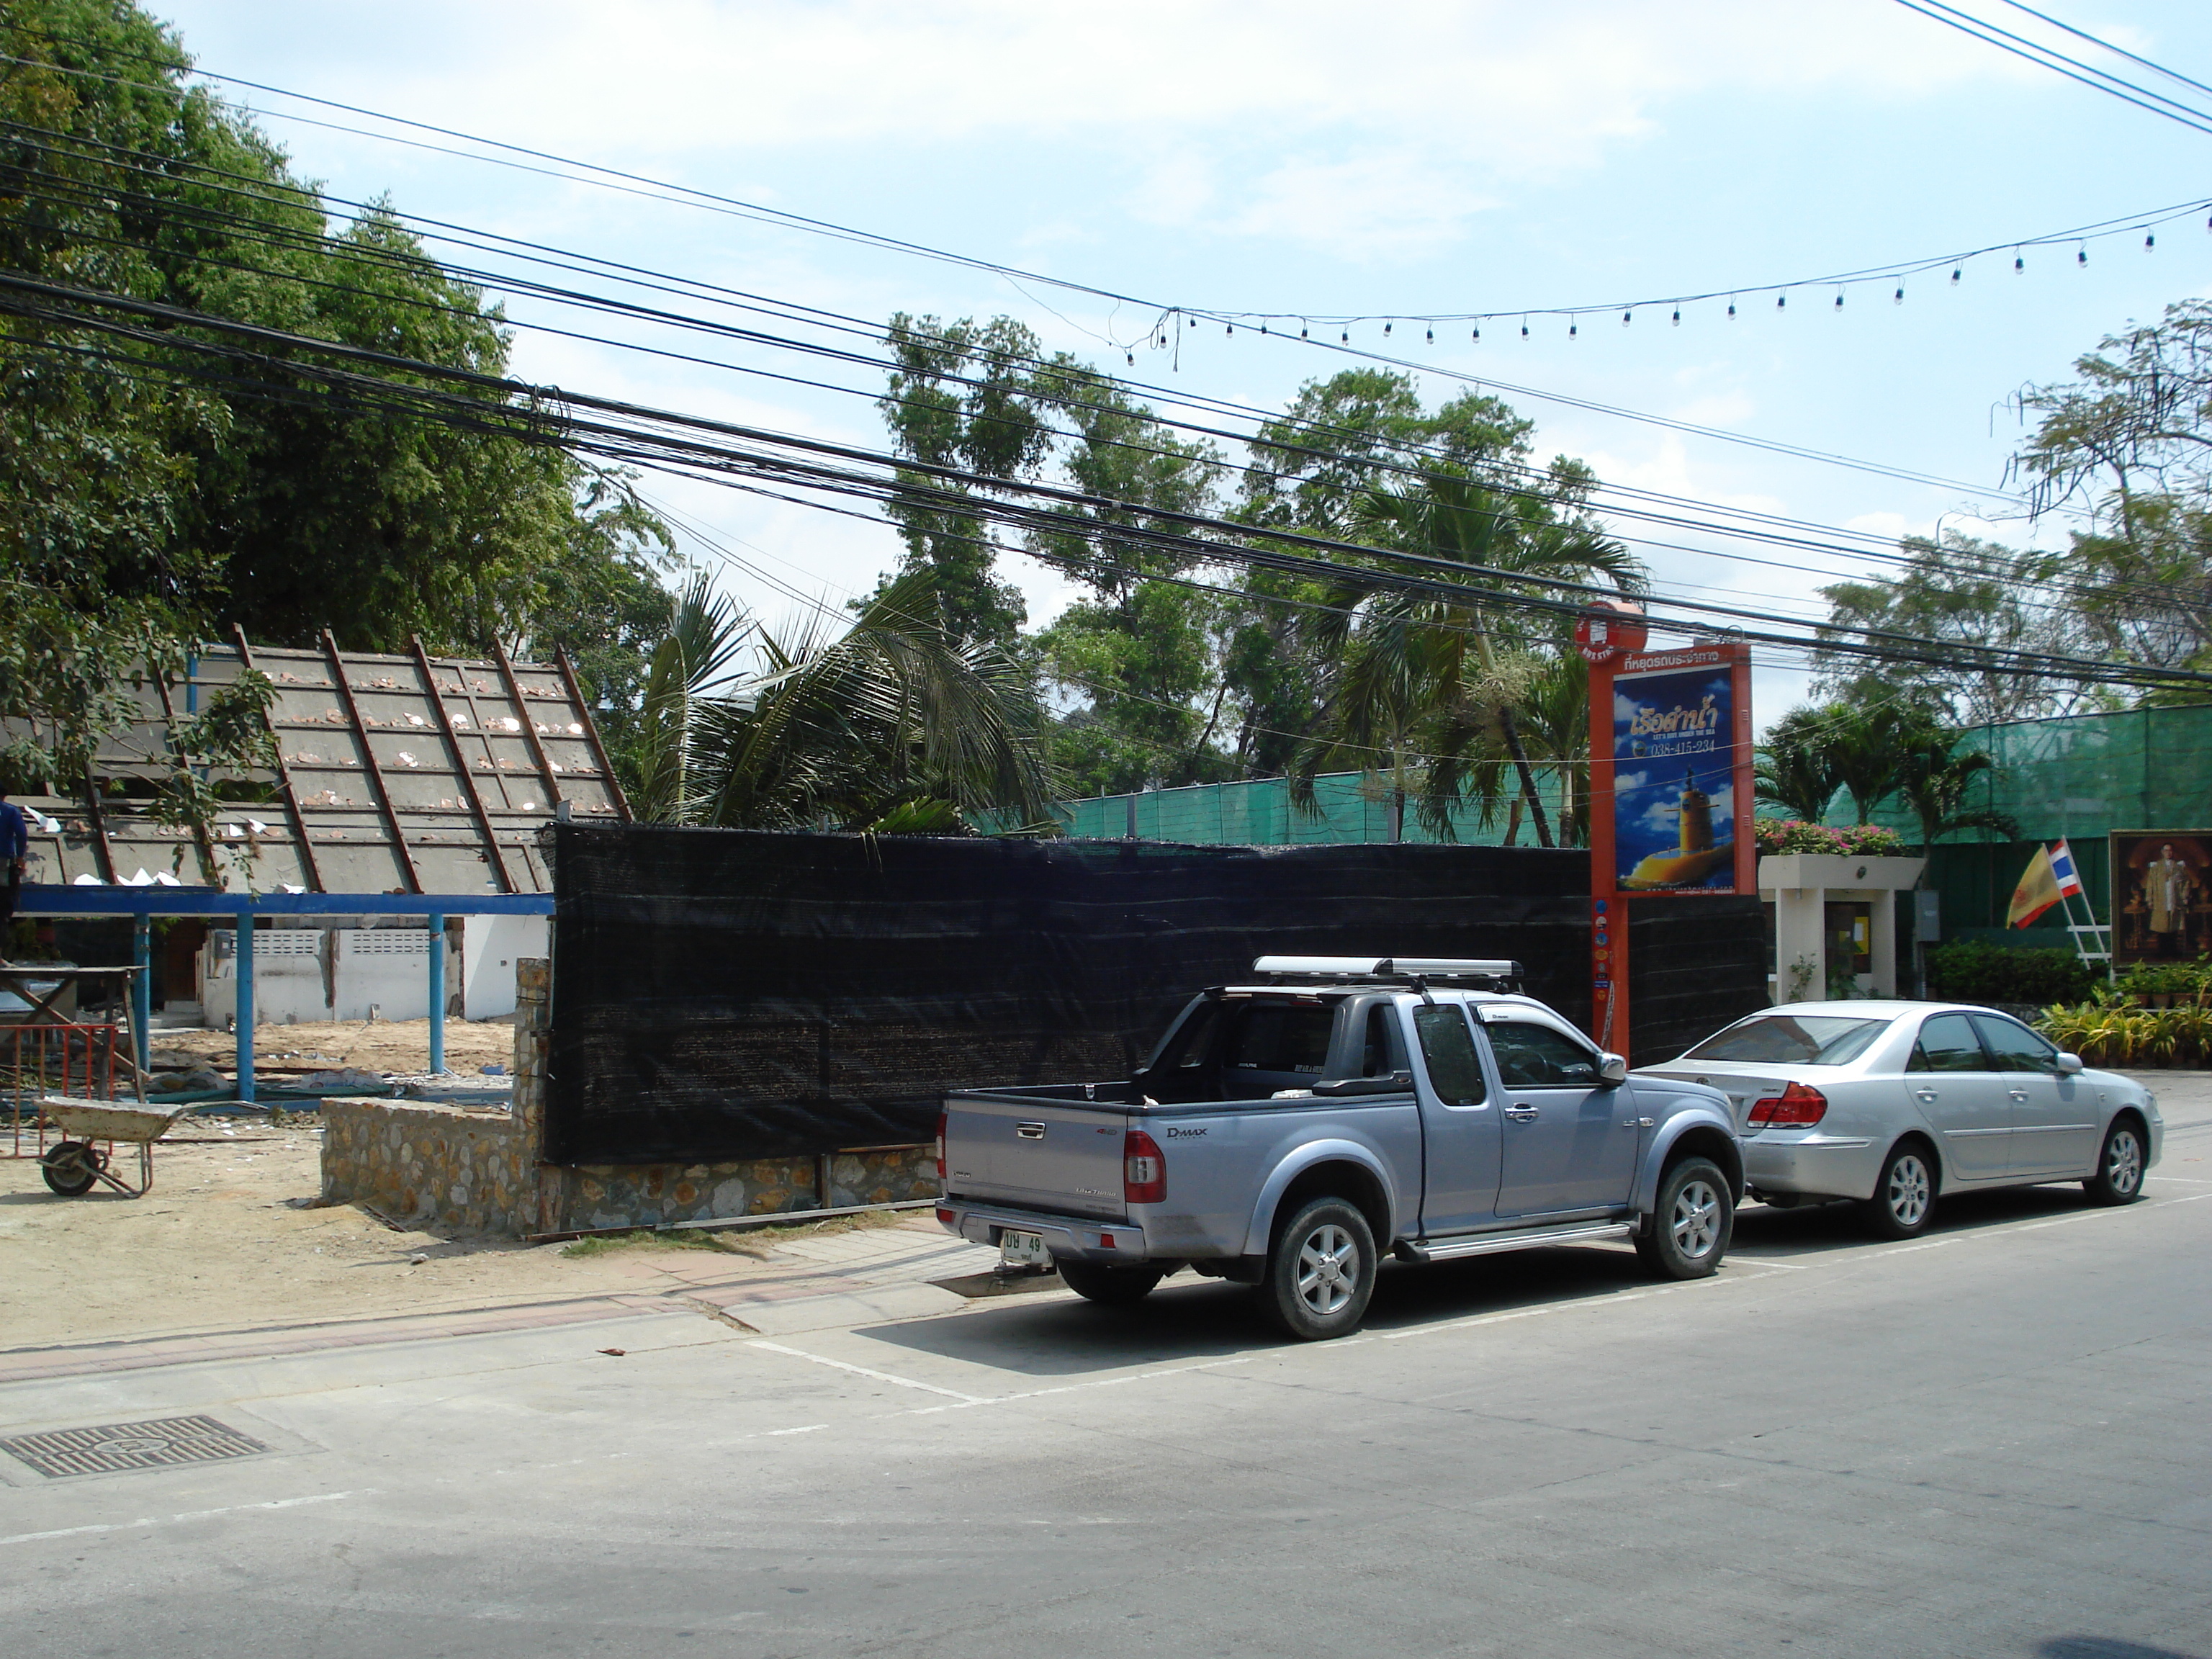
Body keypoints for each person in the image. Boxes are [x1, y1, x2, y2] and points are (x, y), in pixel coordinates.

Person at [0, 788, 24, 961]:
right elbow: (22, 834)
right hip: (2, 863)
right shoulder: (11, 811)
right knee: (2, 909)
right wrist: (20, 857)